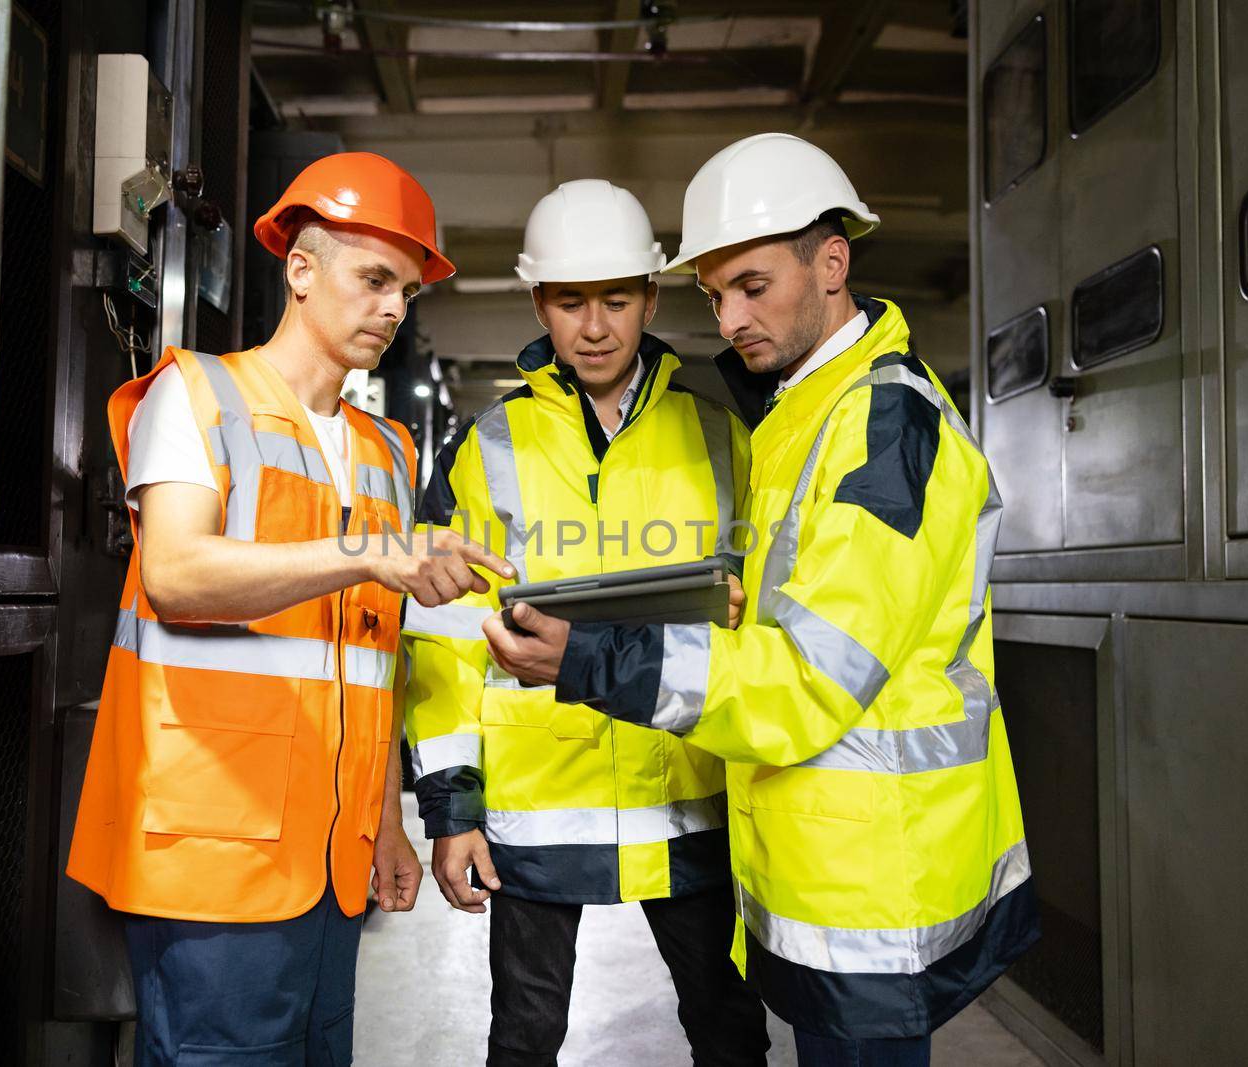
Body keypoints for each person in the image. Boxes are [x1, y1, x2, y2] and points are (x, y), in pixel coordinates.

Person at [483, 134, 1039, 1067]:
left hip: (875, 885)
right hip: (815, 865)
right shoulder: (800, 414)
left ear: (832, 261)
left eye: (752, 284)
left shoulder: (883, 424)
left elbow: (815, 677)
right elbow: (812, 615)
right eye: (713, 294)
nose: (730, 316)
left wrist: (587, 659)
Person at [67, 151, 512, 1066]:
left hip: (331, 853)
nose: (394, 308)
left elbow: (373, 659)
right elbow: (179, 575)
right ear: (300, 270)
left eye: (408, 291)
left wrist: (386, 817)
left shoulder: (386, 449)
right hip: (212, 849)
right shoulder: (196, 395)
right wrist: (370, 552)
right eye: (376, 278)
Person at [402, 178, 768, 1066]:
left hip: (691, 804)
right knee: (523, 1041)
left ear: (651, 296)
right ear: (539, 302)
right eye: (570, 300)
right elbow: (444, 644)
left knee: (729, 1033)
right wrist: (453, 810)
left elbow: (765, 624)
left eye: (615, 299)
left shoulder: (724, 434)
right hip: (538, 813)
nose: (594, 326)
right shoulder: (485, 447)